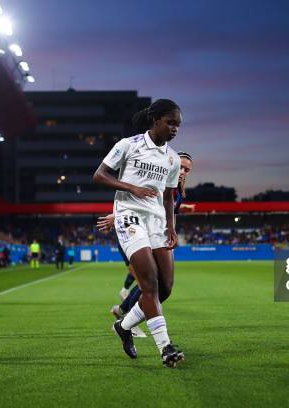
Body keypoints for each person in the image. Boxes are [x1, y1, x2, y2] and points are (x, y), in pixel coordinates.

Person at [92, 98, 184, 367]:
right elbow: (99, 175)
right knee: (149, 282)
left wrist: (172, 227)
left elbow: (169, 196)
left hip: (157, 222)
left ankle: (124, 325)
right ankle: (166, 347)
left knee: (166, 287)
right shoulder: (128, 145)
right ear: (155, 120)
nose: (175, 129)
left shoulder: (172, 158)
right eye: (170, 123)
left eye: (178, 125)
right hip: (129, 216)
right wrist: (131, 188)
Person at [98, 151, 194, 332]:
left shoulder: (177, 192)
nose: (182, 171)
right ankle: (127, 319)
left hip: (157, 238)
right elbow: (138, 206)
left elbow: (170, 214)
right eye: (180, 166)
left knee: (153, 283)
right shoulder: (157, 183)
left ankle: (123, 313)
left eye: (186, 170)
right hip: (135, 233)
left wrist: (171, 232)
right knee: (148, 282)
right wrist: (116, 216)